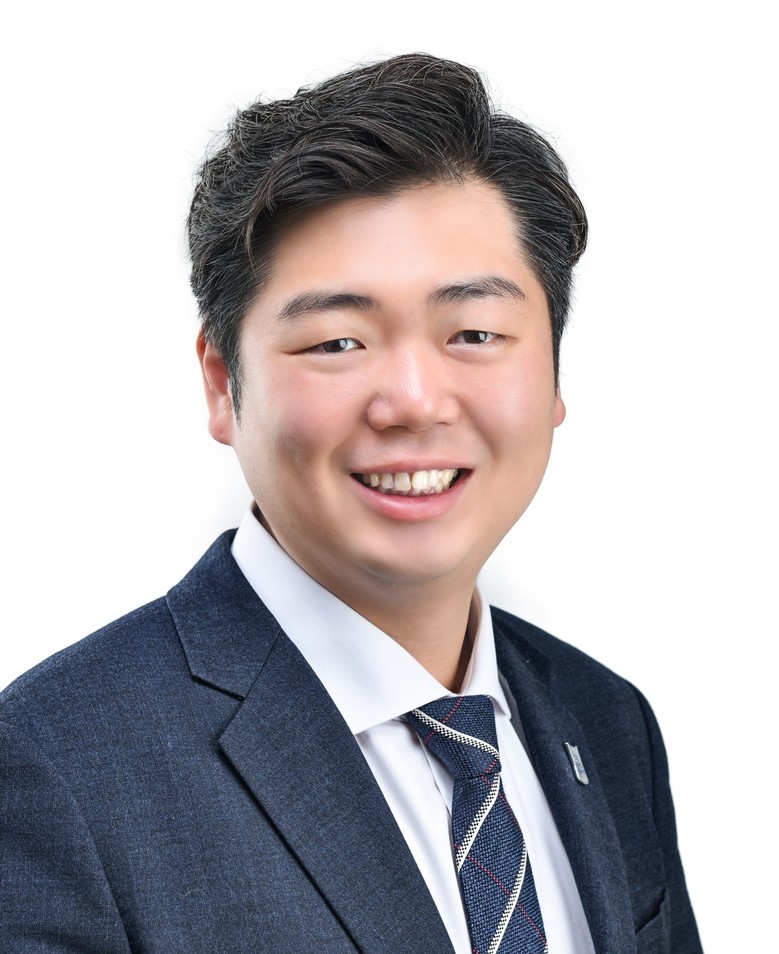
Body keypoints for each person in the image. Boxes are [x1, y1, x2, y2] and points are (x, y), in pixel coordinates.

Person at [0, 54, 701, 953]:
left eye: (474, 333)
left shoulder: (606, 723)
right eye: (337, 341)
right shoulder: (57, 766)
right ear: (221, 383)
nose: (413, 400)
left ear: (554, 373)